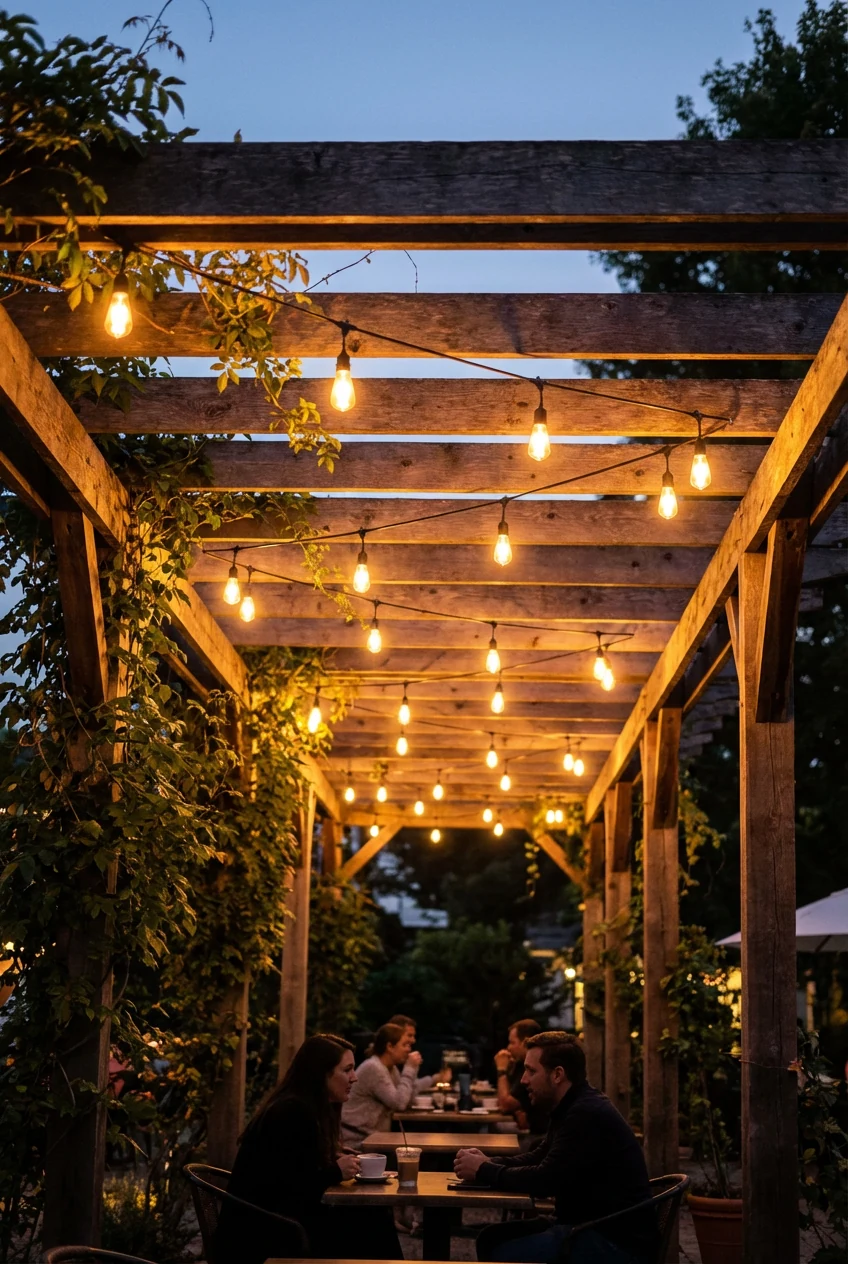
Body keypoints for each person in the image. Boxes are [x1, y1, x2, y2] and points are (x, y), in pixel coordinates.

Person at [455, 1032, 658, 1264]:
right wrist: (488, 1162)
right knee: (491, 1238)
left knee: (503, 1251)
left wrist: (484, 1170)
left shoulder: (585, 1113)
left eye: (531, 1071)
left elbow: (545, 1179)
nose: (523, 1080)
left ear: (557, 1074)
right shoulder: (571, 1105)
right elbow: (539, 1156)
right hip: (587, 1225)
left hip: (614, 1241)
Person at [216, 1033, 401, 1264]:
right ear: (321, 1073)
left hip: (281, 1220)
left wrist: (331, 1157)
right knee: (372, 1221)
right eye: (347, 1070)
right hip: (264, 1233)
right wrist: (335, 1170)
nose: (354, 1078)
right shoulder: (291, 1112)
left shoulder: (307, 1107)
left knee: (373, 1215)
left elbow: (296, 1168)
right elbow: (289, 1187)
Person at [341, 1021, 423, 1146]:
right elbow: (399, 1104)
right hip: (357, 1141)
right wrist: (409, 1069)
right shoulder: (374, 1068)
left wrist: (413, 1070)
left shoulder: (391, 1069)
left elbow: (408, 1101)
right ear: (390, 1046)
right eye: (404, 1045)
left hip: (374, 1137)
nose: (409, 1050)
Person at [494, 1017, 544, 1132]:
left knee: (496, 1130)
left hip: (539, 1133)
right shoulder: (521, 1064)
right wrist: (516, 1110)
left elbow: (504, 1105)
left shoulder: (535, 1067)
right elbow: (504, 1102)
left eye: (512, 1042)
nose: (508, 1047)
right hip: (530, 1129)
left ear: (525, 1042)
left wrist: (501, 1070)